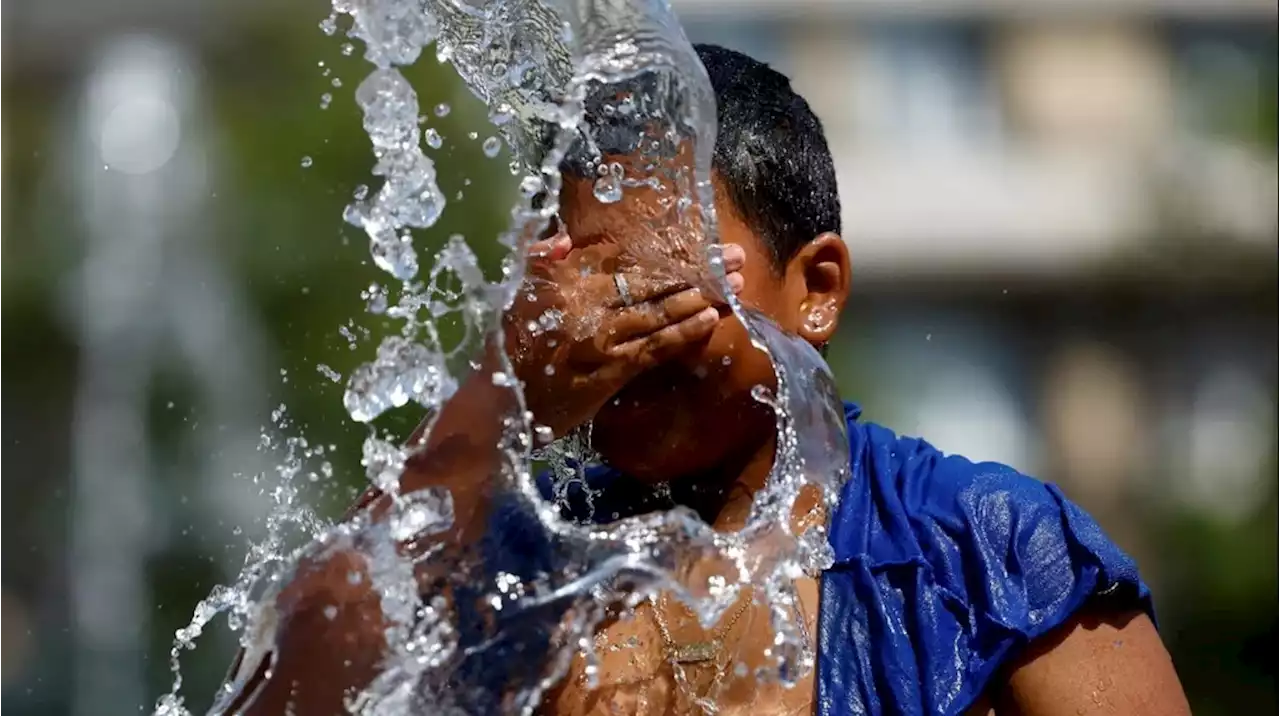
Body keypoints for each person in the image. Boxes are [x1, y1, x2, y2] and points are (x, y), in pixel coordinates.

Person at [217, 44, 1191, 715]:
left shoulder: (983, 557)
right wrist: (491, 407)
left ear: (813, 289)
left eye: (659, 283)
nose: (616, 333)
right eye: (578, 287)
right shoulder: (504, 556)